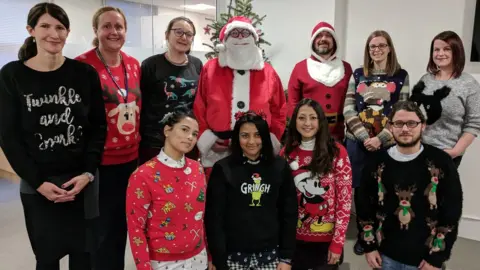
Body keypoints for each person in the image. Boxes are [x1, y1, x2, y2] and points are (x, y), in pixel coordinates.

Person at [0, 2, 107, 270]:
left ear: (67, 32)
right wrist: (37, 182)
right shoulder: (12, 75)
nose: (54, 34)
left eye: (60, 27)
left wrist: (88, 173)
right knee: (47, 259)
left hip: (81, 183)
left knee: (84, 256)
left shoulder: (84, 74)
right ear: (31, 30)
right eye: (45, 26)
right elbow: (8, 137)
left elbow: (98, 127)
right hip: (38, 187)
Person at [356, 101, 463, 270]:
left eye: (412, 123)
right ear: (390, 127)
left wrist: (437, 257)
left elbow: (451, 210)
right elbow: (364, 206)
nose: (405, 129)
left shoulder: (441, 161)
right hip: (385, 255)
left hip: (425, 258)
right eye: (399, 123)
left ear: (423, 126)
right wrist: (368, 246)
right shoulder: (376, 162)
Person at [74, 6, 141, 270]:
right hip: (99, 164)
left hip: (130, 161)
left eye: (119, 26)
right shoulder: (81, 66)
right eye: (107, 26)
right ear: (96, 30)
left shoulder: (134, 65)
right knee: (98, 232)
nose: (113, 31)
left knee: (120, 228)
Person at [193, 16, 286, 178]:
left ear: (254, 39)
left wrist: (270, 138)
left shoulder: (268, 72)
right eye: (235, 33)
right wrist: (207, 138)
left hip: (257, 149)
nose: (241, 37)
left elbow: (280, 110)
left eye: (245, 32)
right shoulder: (211, 69)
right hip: (217, 150)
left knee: (254, 194)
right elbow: (200, 106)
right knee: (219, 196)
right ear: (225, 39)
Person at [343, 30, 409, 255]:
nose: (377, 50)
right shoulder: (358, 74)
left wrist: (380, 139)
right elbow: (348, 108)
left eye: (381, 45)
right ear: (368, 50)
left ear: (389, 48)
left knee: (386, 192)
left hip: (388, 145)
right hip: (358, 143)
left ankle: (384, 235)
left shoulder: (401, 76)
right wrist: (364, 137)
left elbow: (402, 112)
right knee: (361, 194)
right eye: (372, 46)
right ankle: (366, 236)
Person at [205, 111, 297, 270]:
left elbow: (289, 214)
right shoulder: (223, 169)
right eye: (245, 135)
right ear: (237, 138)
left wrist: (286, 257)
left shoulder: (280, 167)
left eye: (257, 135)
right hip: (232, 257)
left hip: (271, 256)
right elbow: (214, 219)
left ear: (265, 137)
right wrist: (219, 259)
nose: (251, 141)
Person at [126, 109, 208, 270]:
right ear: (167, 130)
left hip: (199, 258)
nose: (190, 137)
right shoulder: (143, 176)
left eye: (195, 134)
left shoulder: (198, 169)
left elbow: (201, 218)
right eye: (184, 130)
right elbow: (136, 229)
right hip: (163, 263)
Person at [281, 99, 352, 270]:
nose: (307, 123)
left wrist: (337, 243)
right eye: (302, 118)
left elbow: (345, 201)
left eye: (313, 118)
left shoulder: (337, 152)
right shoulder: (287, 153)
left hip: (326, 243)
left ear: (320, 121)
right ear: (294, 121)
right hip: (294, 240)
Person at [410, 30, 480, 169]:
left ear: (456, 51)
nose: (440, 53)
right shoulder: (426, 79)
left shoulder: (468, 83)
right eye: (436, 49)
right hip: (417, 150)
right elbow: (413, 111)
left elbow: (474, 124)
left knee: (440, 191)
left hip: (446, 153)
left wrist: (455, 152)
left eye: (446, 49)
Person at [140, 16, 203, 164]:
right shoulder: (151, 65)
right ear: (167, 34)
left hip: (187, 141)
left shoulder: (197, 64)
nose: (184, 37)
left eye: (188, 34)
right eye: (178, 32)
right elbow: (142, 103)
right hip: (155, 141)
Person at [287, 21, 352, 142]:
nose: (323, 39)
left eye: (328, 35)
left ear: (334, 40)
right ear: (312, 41)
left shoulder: (346, 68)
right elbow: (292, 103)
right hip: (307, 135)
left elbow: (351, 102)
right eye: (319, 35)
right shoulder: (300, 67)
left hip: (338, 136)